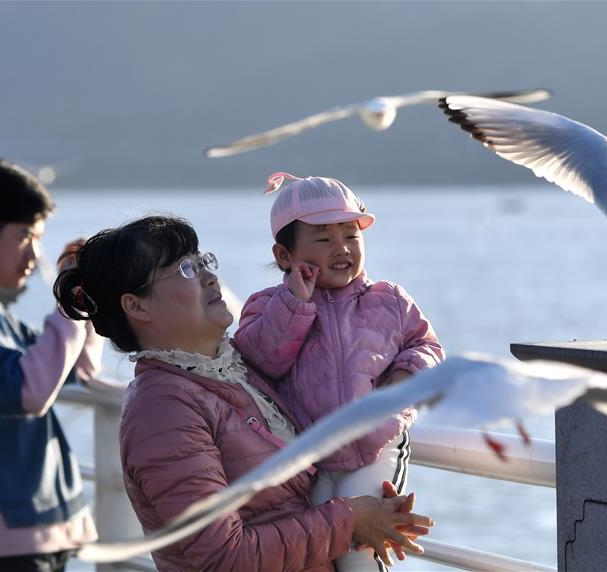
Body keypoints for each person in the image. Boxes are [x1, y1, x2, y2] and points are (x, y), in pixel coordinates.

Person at [53, 215, 432, 571]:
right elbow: (222, 555)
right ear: (136, 306)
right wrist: (350, 520)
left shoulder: (237, 370)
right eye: (187, 269)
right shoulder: (162, 410)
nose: (210, 277)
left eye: (203, 262)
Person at [233, 173, 444, 570]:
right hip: (308, 465)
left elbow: (427, 347)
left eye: (351, 235)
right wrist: (295, 302)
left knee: (359, 556)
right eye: (324, 238)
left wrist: (401, 385)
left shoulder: (389, 300)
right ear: (284, 256)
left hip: (374, 449)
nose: (342, 248)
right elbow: (261, 360)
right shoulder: (265, 306)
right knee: (316, 556)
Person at [0, 160, 103, 571]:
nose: (35, 253)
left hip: (32, 532)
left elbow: (77, 371)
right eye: (25, 236)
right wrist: (66, 301)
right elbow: (28, 390)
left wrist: (82, 298)